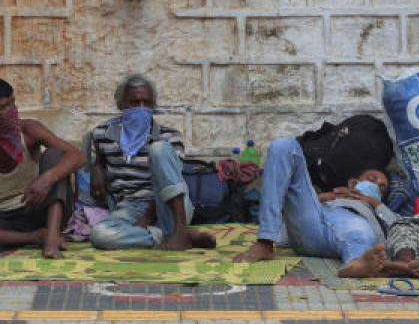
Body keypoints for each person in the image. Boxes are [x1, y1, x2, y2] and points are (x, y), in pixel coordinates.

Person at [235, 136, 395, 277]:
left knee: (358, 228)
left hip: (352, 228)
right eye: (372, 179)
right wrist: (322, 198)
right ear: (353, 183)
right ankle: (265, 242)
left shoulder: (375, 210)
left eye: (382, 187)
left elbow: (400, 227)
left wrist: (374, 203)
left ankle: (356, 263)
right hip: (313, 224)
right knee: (284, 145)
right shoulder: (332, 196)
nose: (376, 185)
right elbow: (287, 222)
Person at [89, 75, 215, 250]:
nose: (141, 108)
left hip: (169, 204)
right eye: (134, 103)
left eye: (146, 103)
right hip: (130, 207)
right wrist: (96, 168)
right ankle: (171, 235)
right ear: (121, 106)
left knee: (159, 148)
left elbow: (172, 181)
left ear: (153, 106)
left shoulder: (170, 136)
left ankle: (178, 230)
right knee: (100, 235)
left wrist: (147, 217)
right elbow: (97, 160)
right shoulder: (102, 134)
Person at [0, 78, 86, 259]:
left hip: (39, 209)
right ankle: (37, 237)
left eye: (6, 106)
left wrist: (47, 178)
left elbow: (77, 156)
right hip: (5, 224)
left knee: (55, 156)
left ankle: (52, 237)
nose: (4, 114)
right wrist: (34, 236)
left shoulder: (29, 130)